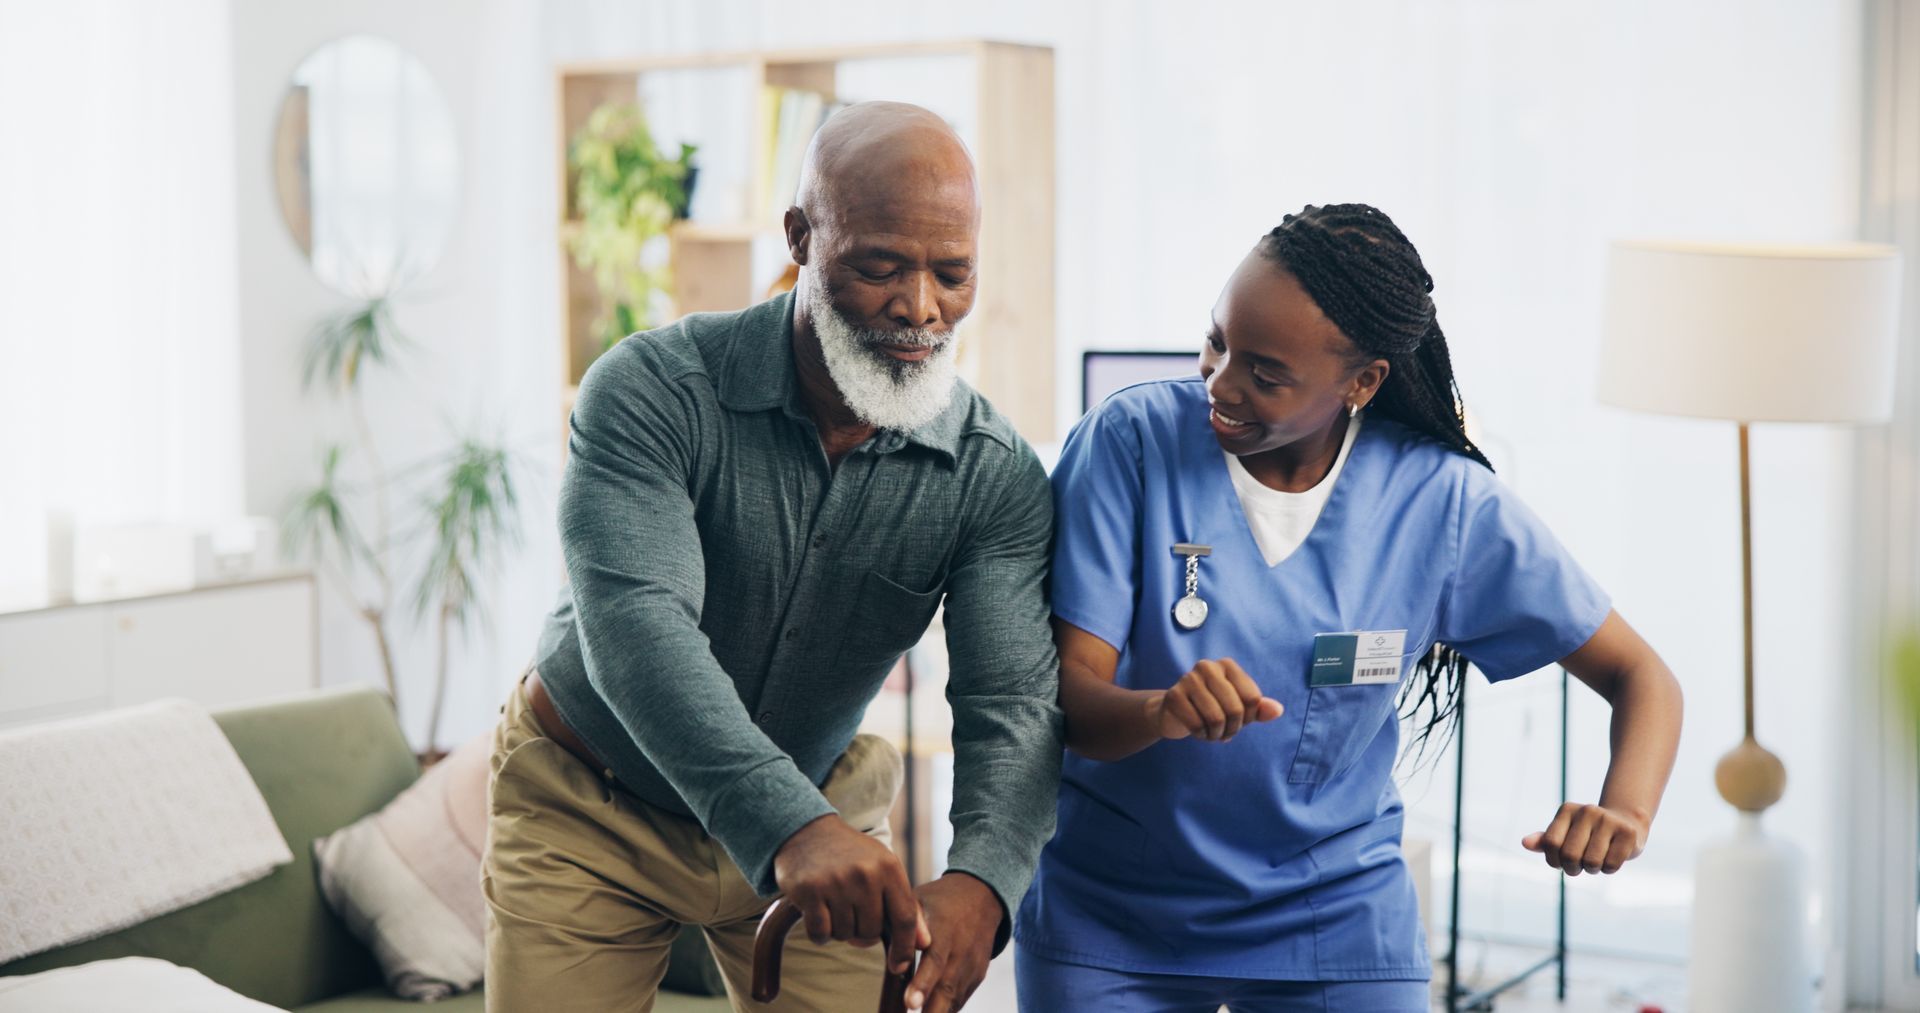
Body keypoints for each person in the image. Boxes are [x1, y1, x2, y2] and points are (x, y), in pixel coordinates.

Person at [1015, 204, 1684, 1012]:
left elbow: (1641, 674)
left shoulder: (1441, 503)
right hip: (1115, 916)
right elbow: (1066, 704)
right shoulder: (1129, 443)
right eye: (1217, 341)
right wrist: (1161, 708)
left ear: (1362, 382)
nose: (1219, 385)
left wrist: (1624, 809)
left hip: (1333, 919)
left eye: (1264, 373)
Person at [483, 101, 1063, 1013]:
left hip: (817, 799)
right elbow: (639, 626)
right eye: (882, 266)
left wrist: (983, 883)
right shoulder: (649, 391)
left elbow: (1012, 701)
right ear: (801, 236)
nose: (921, 308)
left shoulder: (993, 473)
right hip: (591, 801)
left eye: (953, 274)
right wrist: (790, 825)